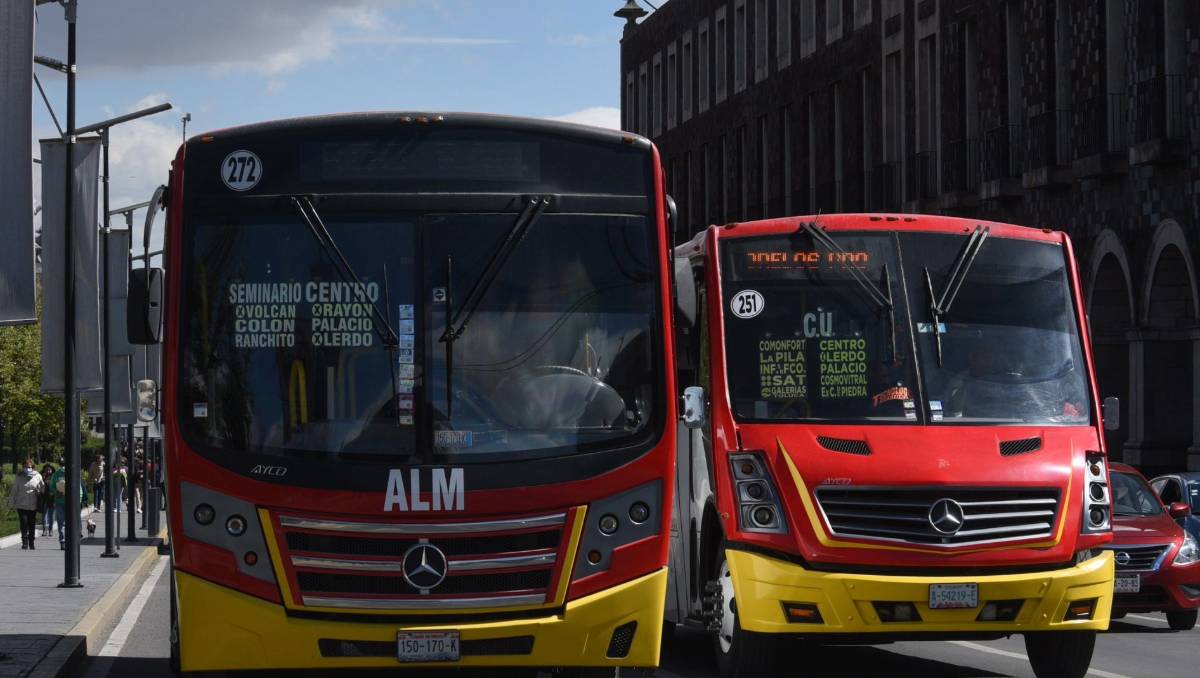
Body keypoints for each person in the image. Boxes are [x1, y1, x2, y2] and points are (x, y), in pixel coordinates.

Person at [6, 459, 44, 550]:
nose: (28, 468)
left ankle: (31, 542)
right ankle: (24, 542)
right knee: (23, 523)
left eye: (30, 467)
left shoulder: (37, 476)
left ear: (33, 467)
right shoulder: (19, 476)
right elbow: (14, 490)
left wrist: (40, 491)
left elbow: (42, 488)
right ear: (23, 467)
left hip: (33, 505)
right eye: (26, 467)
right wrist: (11, 502)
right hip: (21, 504)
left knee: (31, 524)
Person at [48, 460, 86, 550]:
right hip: (59, 502)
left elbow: (79, 488)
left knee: (71, 523)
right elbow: (52, 487)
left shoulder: (74, 473)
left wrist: (78, 500)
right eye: (61, 464)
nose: (63, 466)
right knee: (61, 523)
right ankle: (62, 541)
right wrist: (56, 492)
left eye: (64, 464)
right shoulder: (56, 474)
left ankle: (72, 540)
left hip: (71, 503)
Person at [38, 463, 55, 536]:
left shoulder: (54, 477)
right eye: (47, 470)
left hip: (52, 499)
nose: (48, 471)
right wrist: (43, 478)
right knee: (44, 515)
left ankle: (50, 529)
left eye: (49, 470)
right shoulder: (41, 477)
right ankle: (44, 530)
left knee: (51, 515)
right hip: (44, 499)